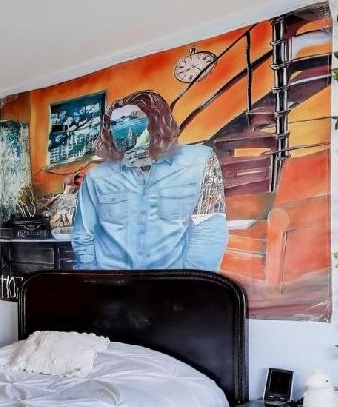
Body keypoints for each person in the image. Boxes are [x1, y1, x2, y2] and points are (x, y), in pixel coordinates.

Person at [71, 90, 226, 271]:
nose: (124, 131)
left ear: (156, 122)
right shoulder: (96, 177)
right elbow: (83, 236)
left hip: (172, 284)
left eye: (134, 119)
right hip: (112, 284)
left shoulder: (198, 161)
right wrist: (92, 280)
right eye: (116, 124)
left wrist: (189, 283)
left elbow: (208, 230)